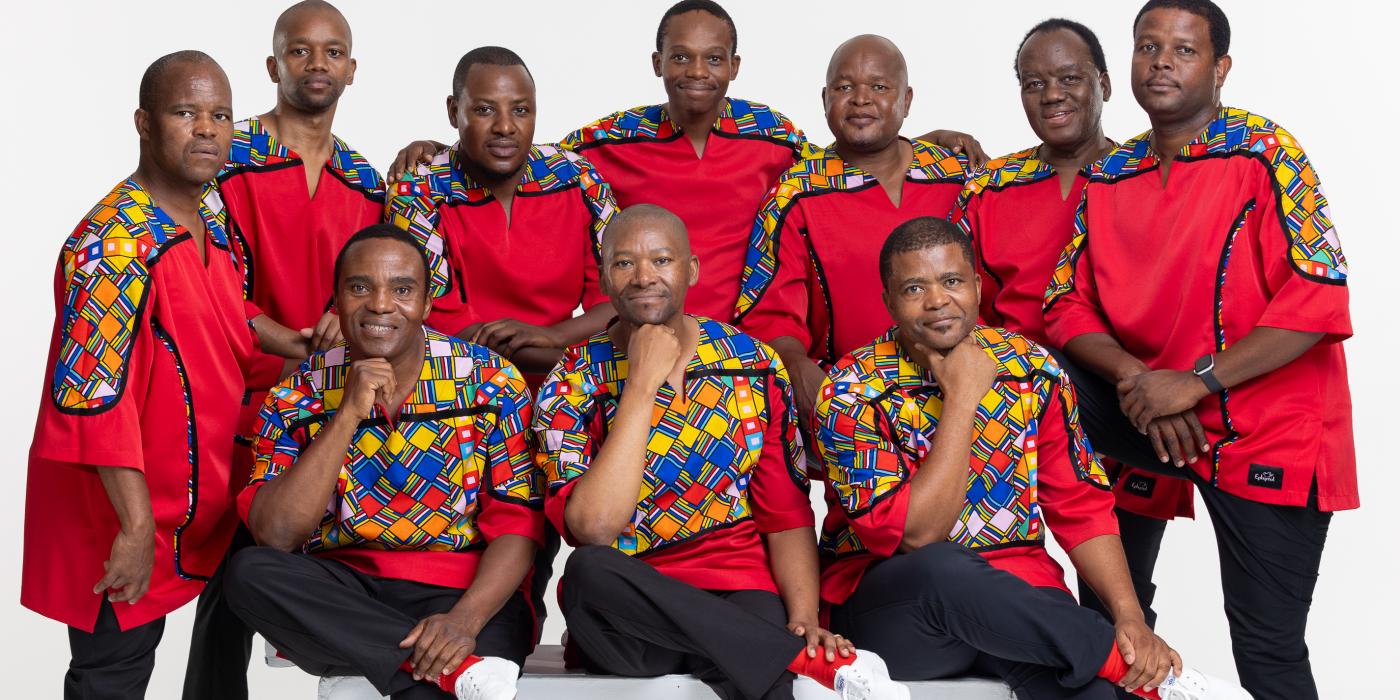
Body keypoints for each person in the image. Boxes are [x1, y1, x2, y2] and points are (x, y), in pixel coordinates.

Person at [1043, 2, 1354, 698]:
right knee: (1034, 368)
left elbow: (1320, 294)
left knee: (1267, 648)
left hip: (1267, 429)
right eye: (1148, 46)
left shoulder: (1266, 151)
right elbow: (1063, 303)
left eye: (1183, 51)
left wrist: (1197, 383)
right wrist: (1141, 382)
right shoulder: (1110, 172)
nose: (1161, 62)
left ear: (1220, 69)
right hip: (1150, 416)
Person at [817, 217, 1249, 700]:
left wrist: (1129, 616)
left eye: (953, 281)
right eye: (915, 288)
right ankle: (1128, 665)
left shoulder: (1032, 369)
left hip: (1019, 606)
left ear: (978, 287)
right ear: (889, 302)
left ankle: (1126, 668)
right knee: (943, 567)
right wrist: (962, 398)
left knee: (1096, 695)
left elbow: (1081, 506)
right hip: (898, 612)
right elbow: (918, 537)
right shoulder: (851, 390)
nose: (938, 300)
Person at [387, 0, 986, 324]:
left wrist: (919, 143)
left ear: (734, 65)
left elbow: (843, 159)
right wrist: (441, 148)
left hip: (742, 343)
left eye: (712, 58)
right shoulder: (607, 142)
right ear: (658, 63)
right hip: (640, 330)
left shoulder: (772, 135)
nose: (696, 72)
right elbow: (517, 151)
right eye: (681, 57)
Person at [532, 205, 907, 700]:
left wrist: (802, 620)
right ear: (603, 277)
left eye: (662, 260)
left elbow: (786, 515)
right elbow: (594, 528)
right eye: (624, 263)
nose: (644, 277)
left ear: (691, 270)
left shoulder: (753, 365)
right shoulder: (571, 380)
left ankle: (774, 648)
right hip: (630, 605)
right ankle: (779, 654)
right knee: (588, 570)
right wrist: (641, 386)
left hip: (737, 590)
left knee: (759, 672)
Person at [21, 51, 305, 699]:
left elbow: (222, 309)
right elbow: (91, 397)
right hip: (122, 508)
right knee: (112, 675)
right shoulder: (113, 247)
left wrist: (292, 342)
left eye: (221, 115)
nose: (207, 128)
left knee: (221, 643)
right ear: (144, 123)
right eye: (186, 112)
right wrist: (136, 527)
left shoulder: (206, 219)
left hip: (203, 492)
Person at [947, 18, 1190, 648]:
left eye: (1069, 78)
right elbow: (954, 301)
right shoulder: (989, 188)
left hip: (1128, 406)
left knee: (1121, 592)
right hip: (1011, 416)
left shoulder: (1146, 176)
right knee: (1005, 589)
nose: (1052, 93)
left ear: (1105, 84)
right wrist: (924, 143)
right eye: (1034, 83)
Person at [225, 224, 543, 700]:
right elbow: (277, 534)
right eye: (359, 287)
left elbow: (519, 525)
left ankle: (429, 666)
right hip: (346, 597)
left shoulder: (489, 379)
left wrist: (463, 621)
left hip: (465, 590)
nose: (379, 305)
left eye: (402, 289)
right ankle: (453, 673)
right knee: (249, 572)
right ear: (336, 300)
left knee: (422, 692)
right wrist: (349, 411)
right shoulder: (299, 392)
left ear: (427, 303)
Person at [190, 3, 382, 695]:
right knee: (229, 578)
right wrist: (288, 340)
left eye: (333, 52)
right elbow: (203, 279)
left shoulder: (366, 181)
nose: (317, 64)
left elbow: (380, 281)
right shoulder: (228, 159)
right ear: (274, 66)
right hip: (236, 400)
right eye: (300, 52)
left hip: (332, 405)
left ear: (352, 69)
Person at [734, 34, 971, 428]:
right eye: (845, 87)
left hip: (962, 386)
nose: (861, 99)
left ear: (907, 100)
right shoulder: (795, 193)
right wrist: (795, 365)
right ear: (825, 98)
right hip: (854, 399)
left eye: (879, 87)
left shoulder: (956, 177)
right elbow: (769, 312)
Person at [386, 46, 618, 382]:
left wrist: (555, 338)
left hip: (575, 385)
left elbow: (618, 300)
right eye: (484, 110)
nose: (505, 127)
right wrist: (572, 356)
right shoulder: (417, 194)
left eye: (521, 110)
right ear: (454, 112)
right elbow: (449, 328)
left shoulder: (576, 176)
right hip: (462, 389)